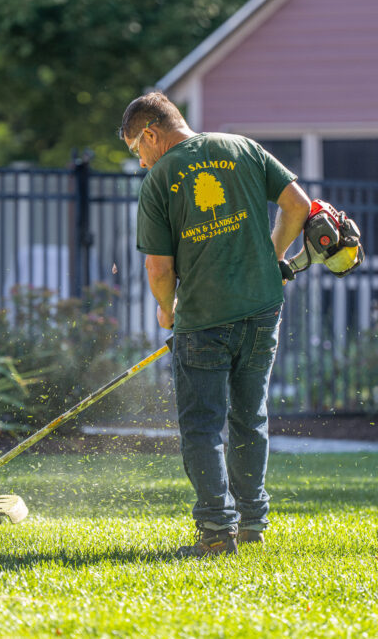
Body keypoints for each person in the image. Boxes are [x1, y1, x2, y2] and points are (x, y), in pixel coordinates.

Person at [119, 91, 312, 557]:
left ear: (151, 134)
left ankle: (216, 531)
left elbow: (158, 269)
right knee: (250, 416)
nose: (141, 162)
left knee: (203, 425)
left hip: (203, 319)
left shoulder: (161, 178)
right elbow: (299, 206)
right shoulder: (241, 147)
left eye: (137, 149)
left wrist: (167, 309)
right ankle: (252, 524)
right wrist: (272, 256)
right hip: (262, 309)